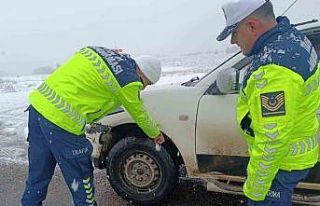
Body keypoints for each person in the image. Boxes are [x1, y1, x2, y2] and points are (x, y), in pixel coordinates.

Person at [21, 46, 165, 206]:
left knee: (39, 172)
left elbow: (83, 53)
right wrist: (155, 133)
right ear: (143, 74)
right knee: (81, 177)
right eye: (146, 83)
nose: (143, 87)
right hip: (61, 122)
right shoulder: (129, 81)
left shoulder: (100, 52)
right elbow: (139, 113)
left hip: (38, 108)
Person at [217, 0, 319, 205]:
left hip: (280, 164)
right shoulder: (293, 40)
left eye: (234, 33)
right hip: (295, 153)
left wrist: (254, 191)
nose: (232, 42)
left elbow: (272, 140)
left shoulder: (274, 70)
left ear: (252, 25)